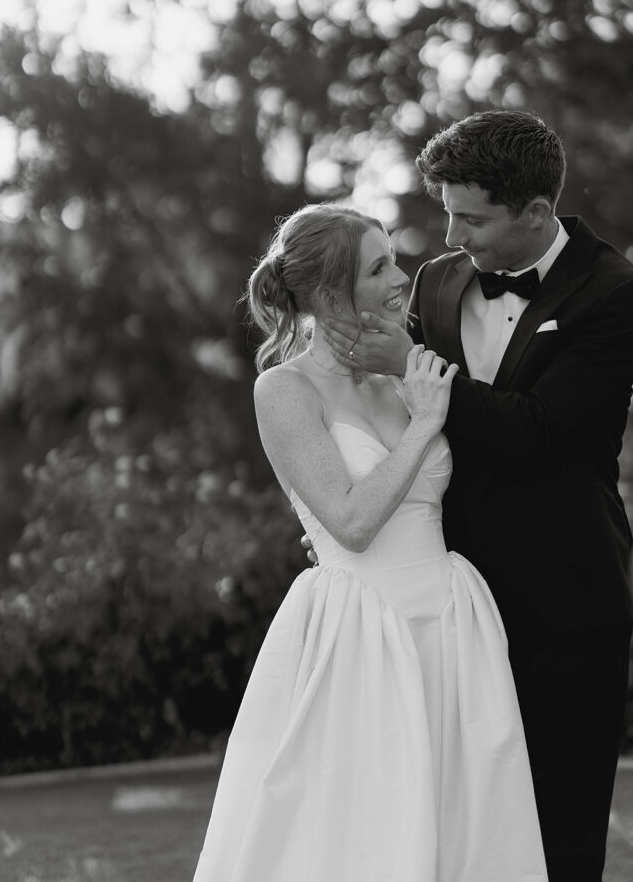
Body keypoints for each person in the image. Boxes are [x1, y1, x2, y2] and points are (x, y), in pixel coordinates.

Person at [192, 203, 548, 882]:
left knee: (466, 830)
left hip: (449, 624)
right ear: (330, 292)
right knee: (363, 835)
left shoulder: (405, 370)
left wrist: (426, 403)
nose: (399, 277)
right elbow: (351, 524)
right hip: (360, 633)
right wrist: (424, 426)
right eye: (378, 266)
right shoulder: (284, 389)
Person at [320, 110, 633, 882]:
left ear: (535, 212)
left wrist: (411, 365)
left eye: (472, 218)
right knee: (455, 827)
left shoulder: (615, 293)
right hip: (446, 605)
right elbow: (394, 419)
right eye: (447, 212)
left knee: (558, 833)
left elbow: (538, 432)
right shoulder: (438, 279)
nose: (453, 236)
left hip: (566, 603)